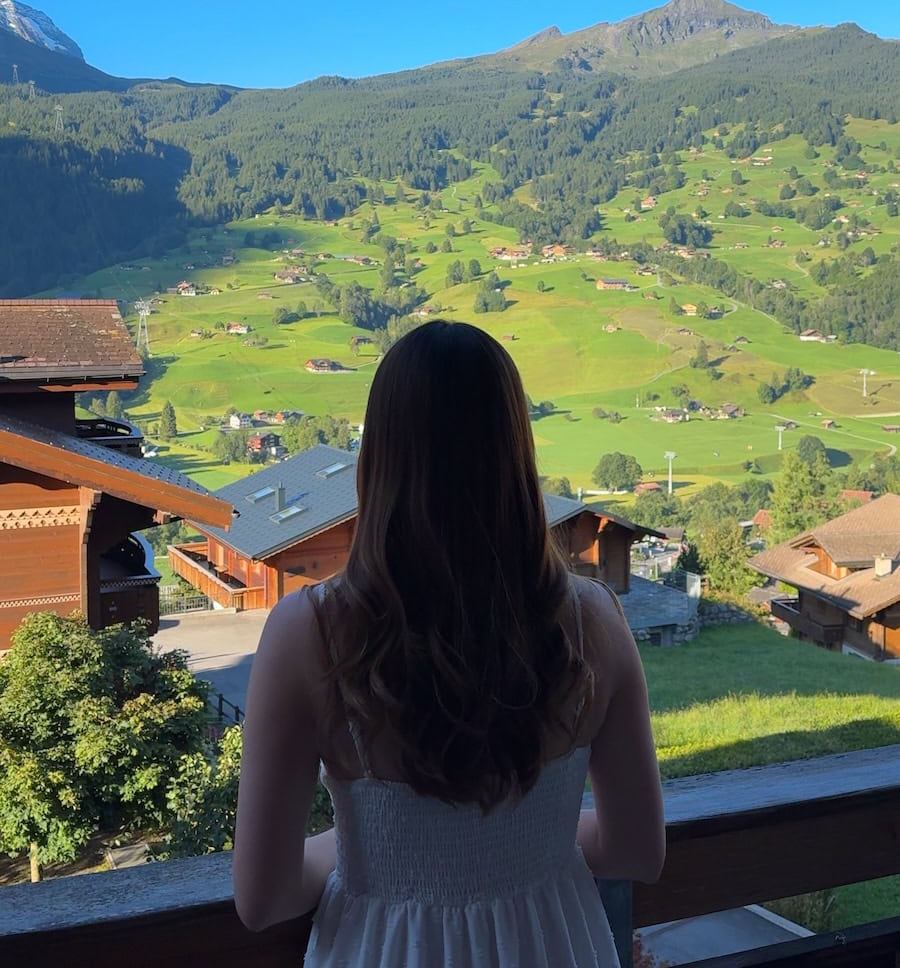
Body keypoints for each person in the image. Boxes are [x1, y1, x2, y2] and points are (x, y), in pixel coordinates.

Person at [233, 320, 665, 965]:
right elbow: (636, 852)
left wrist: (357, 843)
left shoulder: (311, 632)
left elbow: (262, 899)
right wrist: (527, 836)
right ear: (515, 450)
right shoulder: (590, 619)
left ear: (380, 455)